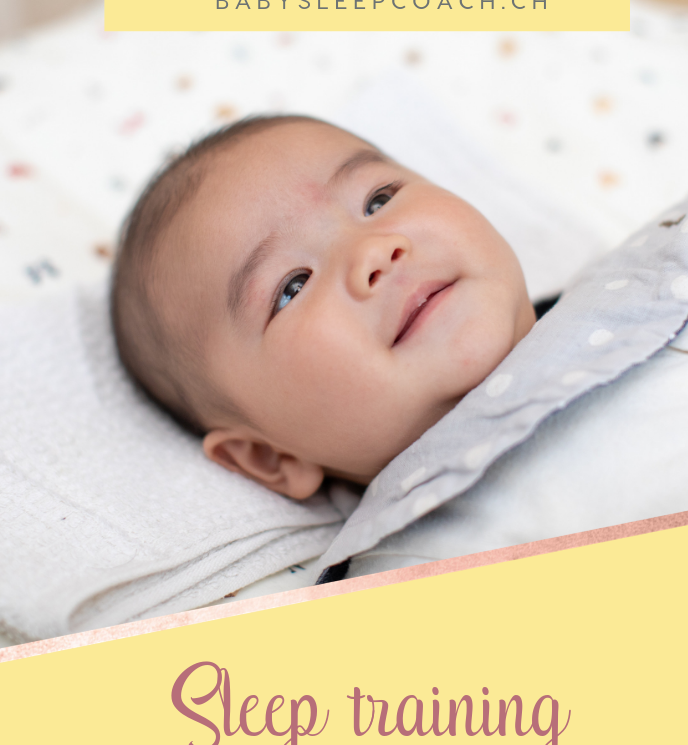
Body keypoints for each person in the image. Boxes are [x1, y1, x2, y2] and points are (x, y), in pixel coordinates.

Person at [112, 115, 536, 499]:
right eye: (293, 287)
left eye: (378, 200)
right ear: (269, 456)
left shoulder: (600, 288)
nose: (374, 250)